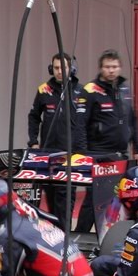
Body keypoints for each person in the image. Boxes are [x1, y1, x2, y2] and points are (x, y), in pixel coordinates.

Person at [27, 53, 84, 227]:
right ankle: (53, 234)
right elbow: (34, 116)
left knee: (66, 198)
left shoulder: (81, 91)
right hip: (48, 154)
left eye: (63, 68)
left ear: (71, 69)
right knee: (50, 197)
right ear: (52, 69)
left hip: (71, 155)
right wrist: (33, 142)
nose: (60, 72)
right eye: (56, 68)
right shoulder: (44, 89)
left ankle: (64, 234)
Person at [76, 49, 138, 163]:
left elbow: (132, 121)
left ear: (120, 68)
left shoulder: (125, 89)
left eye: (114, 67)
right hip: (98, 153)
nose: (111, 70)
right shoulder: (90, 90)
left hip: (122, 153)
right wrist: (82, 154)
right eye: (107, 67)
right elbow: (80, 124)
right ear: (101, 68)